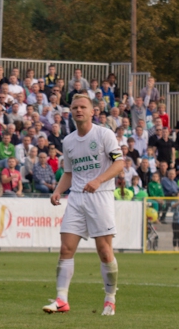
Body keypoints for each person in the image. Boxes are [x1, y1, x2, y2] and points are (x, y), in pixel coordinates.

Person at [43, 94, 124, 316]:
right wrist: (59, 190)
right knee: (66, 248)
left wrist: (98, 180)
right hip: (77, 198)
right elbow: (69, 172)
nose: (79, 110)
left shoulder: (104, 134)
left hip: (101, 196)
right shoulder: (68, 141)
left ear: (92, 111)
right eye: (75, 107)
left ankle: (110, 298)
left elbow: (120, 163)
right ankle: (61, 299)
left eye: (83, 107)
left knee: (105, 252)